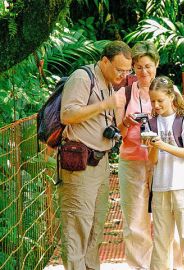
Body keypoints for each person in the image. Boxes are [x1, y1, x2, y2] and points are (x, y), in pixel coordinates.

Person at [59, 40, 132, 270]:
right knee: (77, 228)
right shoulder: (82, 78)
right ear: (104, 61)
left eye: (127, 71)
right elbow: (67, 115)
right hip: (79, 164)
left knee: (95, 226)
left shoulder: (109, 82)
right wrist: (105, 104)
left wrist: (122, 120)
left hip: (100, 163)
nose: (123, 75)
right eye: (119, 69)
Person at [116, 41, 182, 269]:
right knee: (135, 220)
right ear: (132, 67)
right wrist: (126, 122)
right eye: (139, 67)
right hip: (132, 161)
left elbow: (182, 128)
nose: (144, 72)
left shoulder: (169, 92)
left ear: (156, 65)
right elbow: (118, 132)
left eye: (148, 66)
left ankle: (172, 265)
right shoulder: (124, 92)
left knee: (167, 218)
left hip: (163, 162)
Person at [147, 76, 184, 270]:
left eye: (160, 101)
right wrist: (154, 146)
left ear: (171, 97)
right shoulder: (151, 123)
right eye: (153, 101)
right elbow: (152, 160)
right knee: (161, 241)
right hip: (161, 186)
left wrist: (162, 144)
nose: (156, 105)